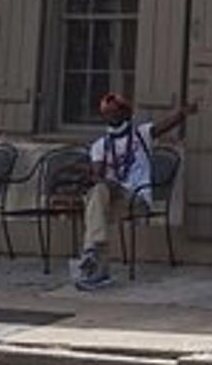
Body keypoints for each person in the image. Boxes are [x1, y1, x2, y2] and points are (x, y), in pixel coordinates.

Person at [74, 92, 195, 291]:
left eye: (116, 112)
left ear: (126, 113)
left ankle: (93, 261)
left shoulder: (141, 134)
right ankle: (96, 268)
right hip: (113, 199)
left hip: (137, 197)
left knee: (95, 210)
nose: (111, 116)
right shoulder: (100, 145)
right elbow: (96, 176)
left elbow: (166, 124)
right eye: (107, 113)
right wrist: (98, 179)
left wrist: (184, 112)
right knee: (97, 200)